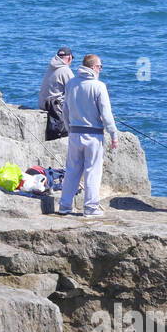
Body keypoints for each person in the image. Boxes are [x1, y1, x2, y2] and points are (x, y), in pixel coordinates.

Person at [59, 54, 119, 218]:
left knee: (72, 170)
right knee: (93, 171)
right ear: (93, 67)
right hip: (93, 135)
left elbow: (65, 111)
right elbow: (106, 115)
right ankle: (91, 207)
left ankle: (65, 205)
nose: (101, 69)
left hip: (74, 133)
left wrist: (69, 128)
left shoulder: (71, 84)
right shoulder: (99, 86)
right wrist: (113, 134)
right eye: (100, 66)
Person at [38, 47, 75, 140]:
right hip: (55, 107)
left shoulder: (51, 67)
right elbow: (75, 91)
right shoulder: (65, 70)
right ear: (70, 58)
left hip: (43, 104)